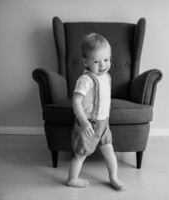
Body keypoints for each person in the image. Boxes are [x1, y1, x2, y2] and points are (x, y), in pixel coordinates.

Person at [66, 33, 127, 191]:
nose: (102, 65)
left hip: (103, 123)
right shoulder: (85, 80)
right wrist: (84, 121)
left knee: (109, 151)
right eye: (96, 61)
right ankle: (72, 178)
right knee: (81, 154)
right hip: (89, 123)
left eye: (106, 60)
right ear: (86, 62)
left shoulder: (106, 76)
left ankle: (113, 177)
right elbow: (76, 101)